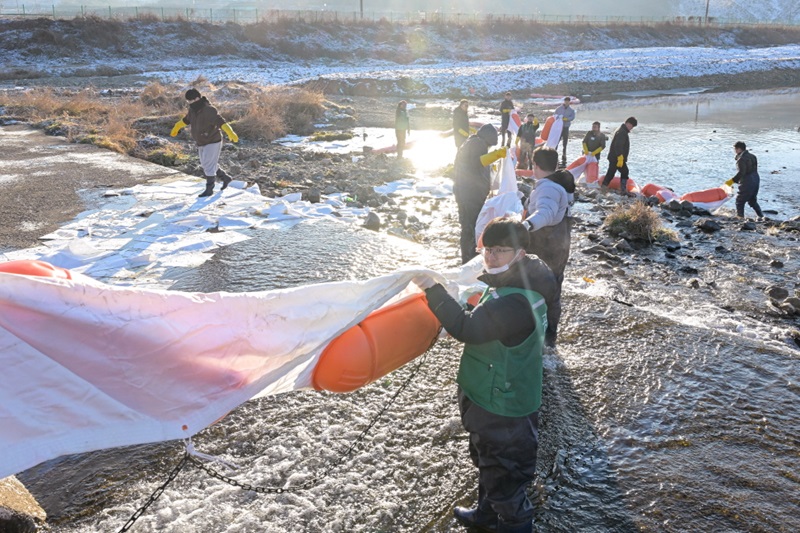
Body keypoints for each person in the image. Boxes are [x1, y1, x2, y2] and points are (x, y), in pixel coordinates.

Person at [413, 218, 558, 533]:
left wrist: (432, 290)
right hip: (499, 395)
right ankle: (484, 516)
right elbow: (485, 319)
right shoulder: (523, 285)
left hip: (502, 407)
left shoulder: (516, 302)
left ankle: (515, 524)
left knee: (505, 481)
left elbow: (468, 328)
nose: (490, 257)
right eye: (487, 250)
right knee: (491, 467)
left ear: (519, 253)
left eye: (499, 251)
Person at [522, 147, 575, 347]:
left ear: (534, 165)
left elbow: (546, 212)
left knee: (537, 291)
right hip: (559, 246)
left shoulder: (548, 188)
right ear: (555, 166)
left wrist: (525, 226)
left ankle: (539, 339)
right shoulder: (559, 184)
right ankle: (549, 340)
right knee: (553, 292)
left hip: (544, 246)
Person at [453, 124, 507, 264]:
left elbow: (476, 164)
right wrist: (497, 154)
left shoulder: (471, 142)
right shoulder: (477, 143)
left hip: (466, 193)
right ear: (487, 139)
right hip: (469, 194)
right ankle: (469, 259)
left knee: (469, 226)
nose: (488, 148)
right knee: (470, 226)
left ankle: (468, 258)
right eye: (489, 145)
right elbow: (477, 162)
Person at [171, 89, 239, 197]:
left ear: (197, 98)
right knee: (206, 164)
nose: (190, 103)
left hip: (213, 140)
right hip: (201, 141)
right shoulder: (193, 109)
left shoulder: (209, 110)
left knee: (208, 164)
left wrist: (230, 132)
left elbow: (220, 121)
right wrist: (177, 126)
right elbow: (187, 120)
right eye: (188, 101)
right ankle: (225, 178)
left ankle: (209, 189)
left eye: (191, 101)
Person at [725, 141, 765, 220]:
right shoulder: (753, 156)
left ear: (739, 149)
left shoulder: (741, 159)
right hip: (756, 179)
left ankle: (740, 218)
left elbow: (742, 172)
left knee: (740, 200)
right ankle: (761, 216)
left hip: (748, 181)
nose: (735, 151)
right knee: (752, 200)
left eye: (735, 149)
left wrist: (731, 181)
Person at [601, 117, 638, 196]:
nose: (631, 128)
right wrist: (620, 157)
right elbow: (618, 146)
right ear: (628, 123)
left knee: (611, 173)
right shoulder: (622, 132)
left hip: (615, 157)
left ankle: (604, 187)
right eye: (631, 126)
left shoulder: (621, 130)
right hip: (617, 158)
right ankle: (623, 190)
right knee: (624, 171)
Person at [553, 97, 576, 166]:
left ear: (569, 102)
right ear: (564, 101)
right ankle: (554, 152)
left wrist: (567, 119)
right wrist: (558, 117)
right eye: (566, 101)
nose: (567, 102)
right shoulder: (559, 108)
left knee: (565, 141)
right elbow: (554, 115)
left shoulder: (571, 110)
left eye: (568, 101)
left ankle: (564, 153)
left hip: (566, 127)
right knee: (557, 140)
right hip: (559, 127)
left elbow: (572, 117)